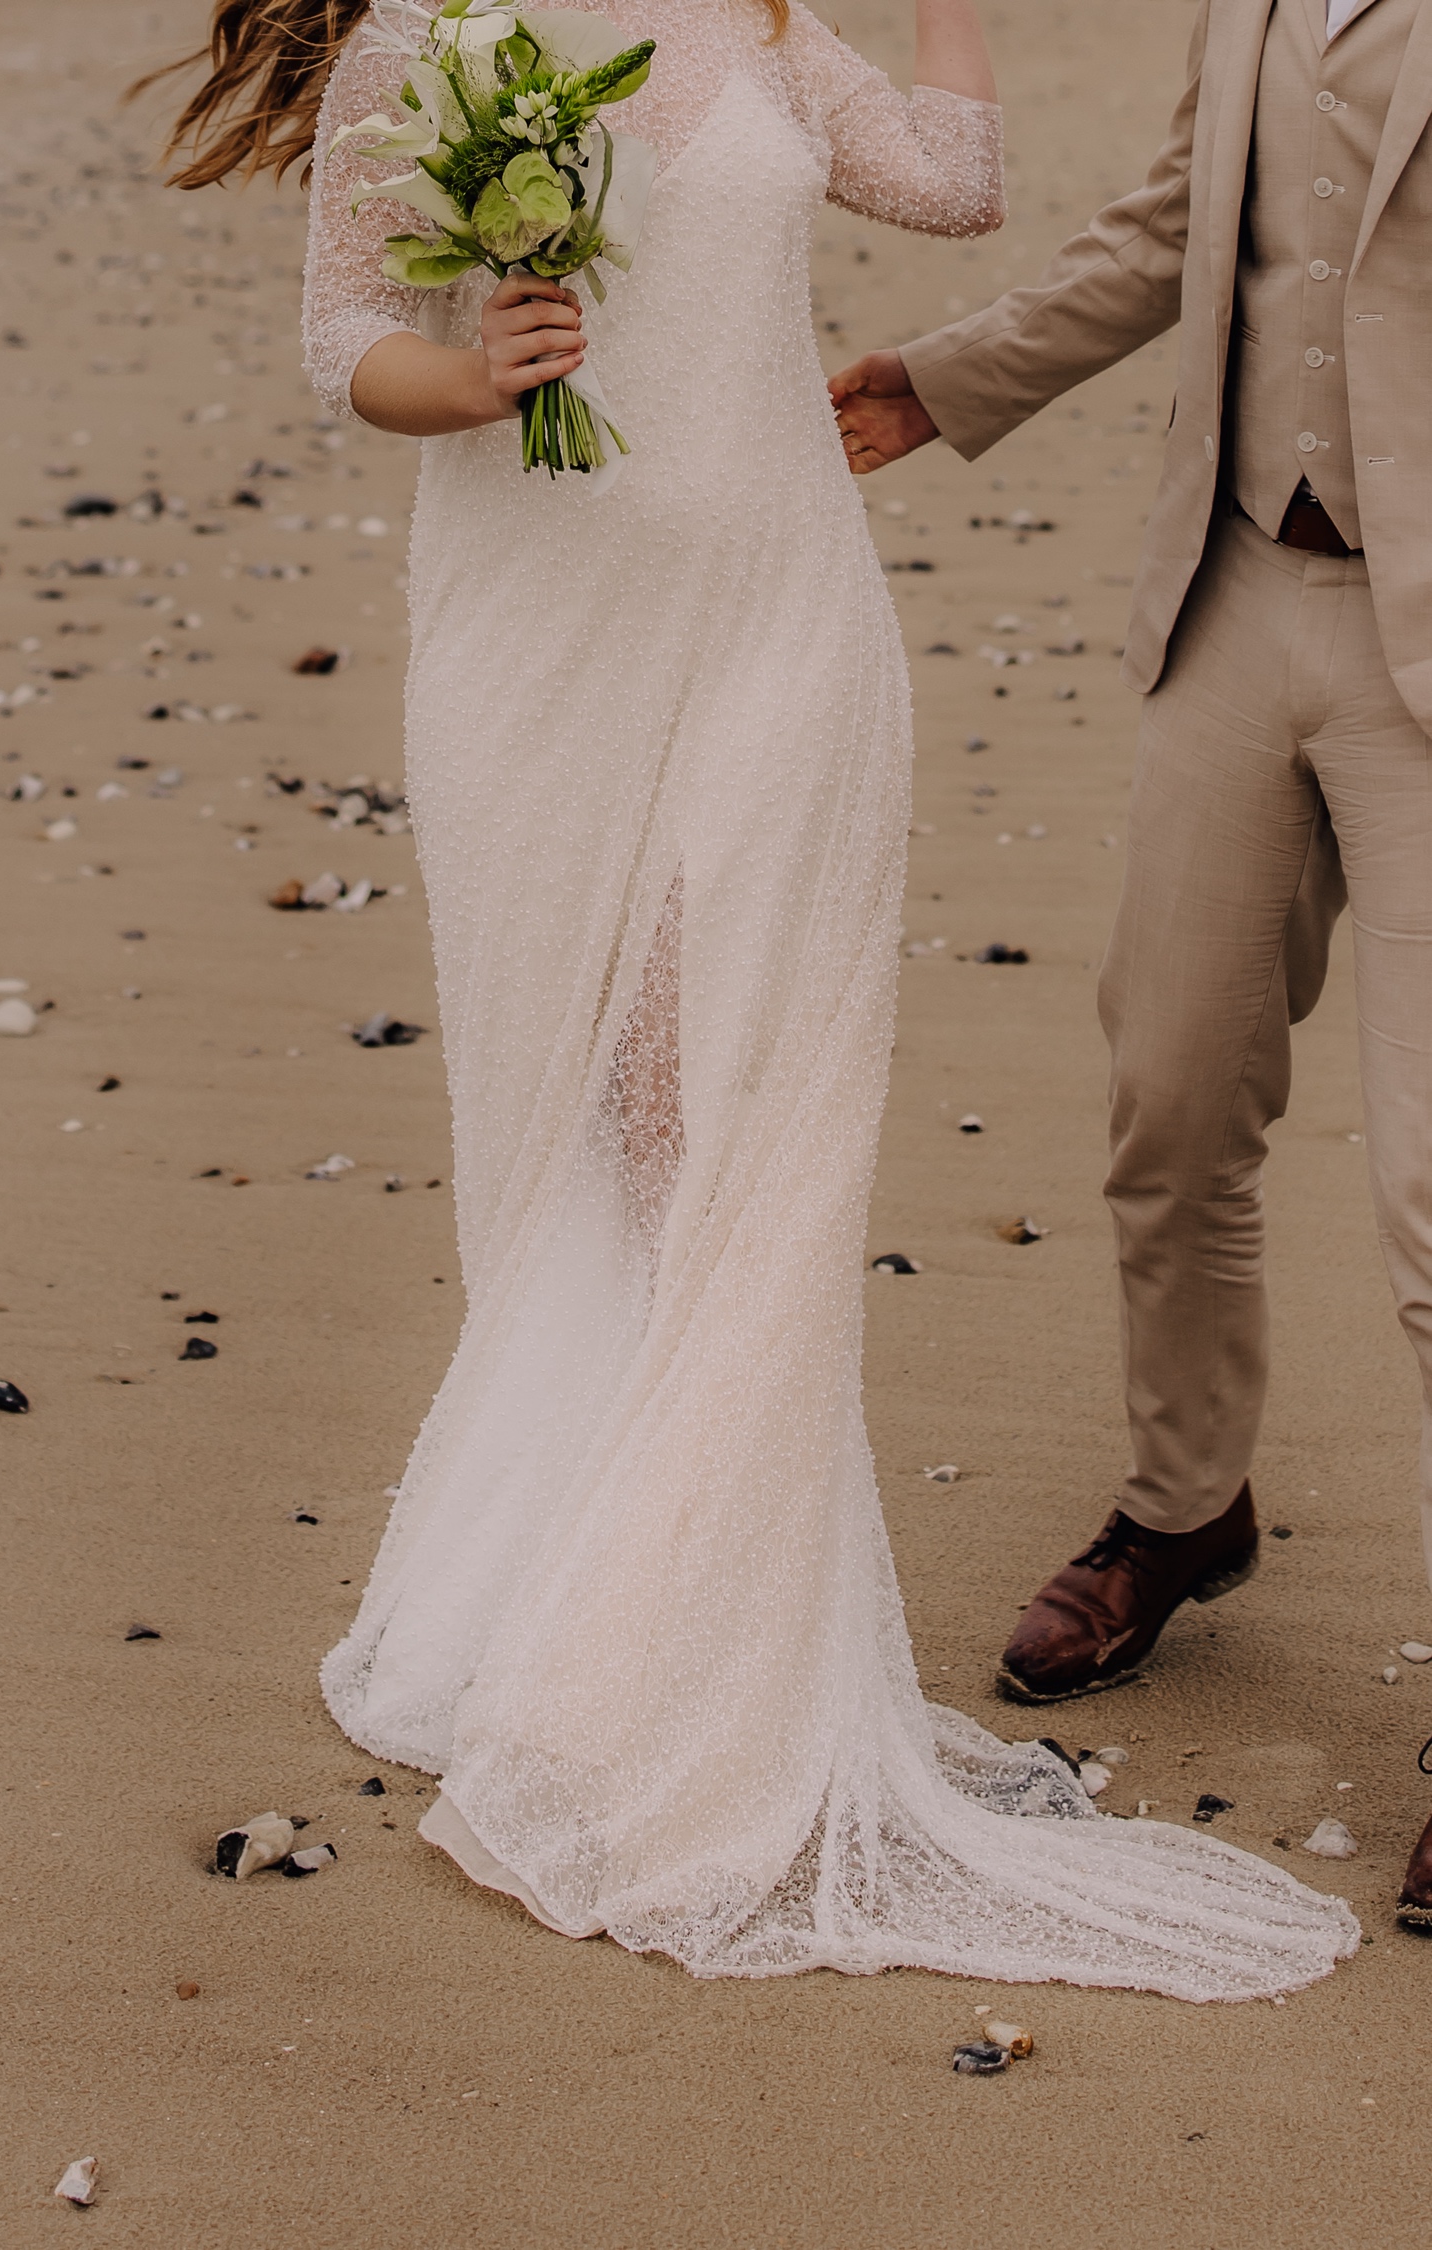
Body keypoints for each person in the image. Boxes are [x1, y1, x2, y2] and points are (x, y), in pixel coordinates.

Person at [150, 0, 1357, 1992]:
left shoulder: (770, 23)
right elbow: (339, 340)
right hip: (540, 643)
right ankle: (592, 1616)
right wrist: (478, 373)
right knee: (622, 1141)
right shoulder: (426, 48)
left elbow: (960, 195)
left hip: (785, 627)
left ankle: (715, 1669)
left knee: (757, 1129)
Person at [831, 0, 1432, 1928]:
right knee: (1169, 1096)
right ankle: (1187, 1509)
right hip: (1238, 592)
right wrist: (948, 378)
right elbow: (1180, 227)